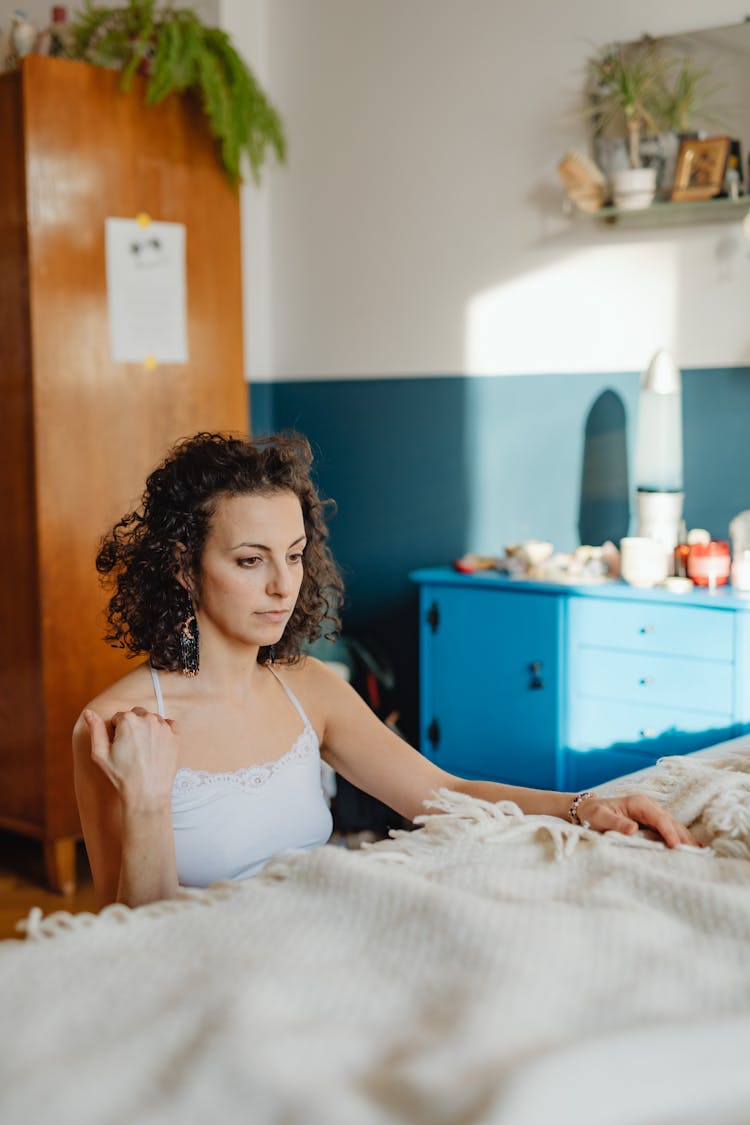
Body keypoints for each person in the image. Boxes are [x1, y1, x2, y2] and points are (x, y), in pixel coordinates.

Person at [73, 432, 698, 908]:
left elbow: (445, 795)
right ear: (184, 566)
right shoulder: (112, 727)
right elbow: (122, 939)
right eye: (248, 561)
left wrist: (582, 807)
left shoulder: (310, 688)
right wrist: (149, 802)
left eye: (293, 556)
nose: (281, 585)